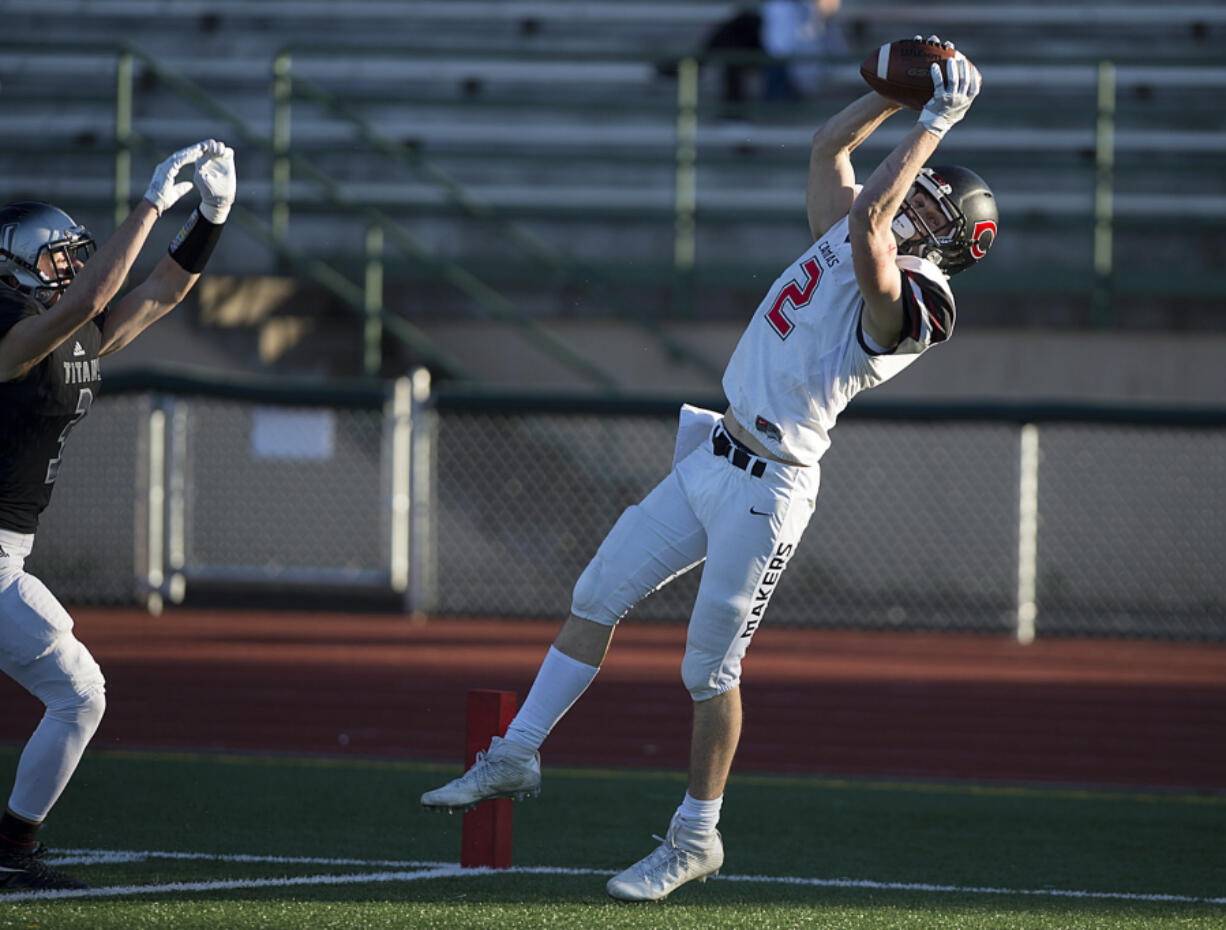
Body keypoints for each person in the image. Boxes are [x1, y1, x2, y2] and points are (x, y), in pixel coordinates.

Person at [422, 37, 997, 902]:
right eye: (918, 189)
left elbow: (872, 226)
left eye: (932, 203)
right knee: (596, 591)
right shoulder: (856, 229)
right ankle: (517, 753)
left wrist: (934, 122)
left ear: (953, 243)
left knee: (708, 671)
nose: (917, 199)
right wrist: (885, 93)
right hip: (713, 452)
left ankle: (697, 835)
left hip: (770, 489)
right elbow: (825, 150)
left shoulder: (919, 299)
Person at [0, 139, 236, 890]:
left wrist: (210, 216)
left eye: (75, 256)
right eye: (56, 258)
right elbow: (90, 300)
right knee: (80, 692)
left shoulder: (70, 335)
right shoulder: (12, 337)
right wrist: (148, 205)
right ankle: (13, 849)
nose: (69, 267)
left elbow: (162, 291)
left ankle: (12, 848)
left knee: (78, 693)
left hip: (8, 552)